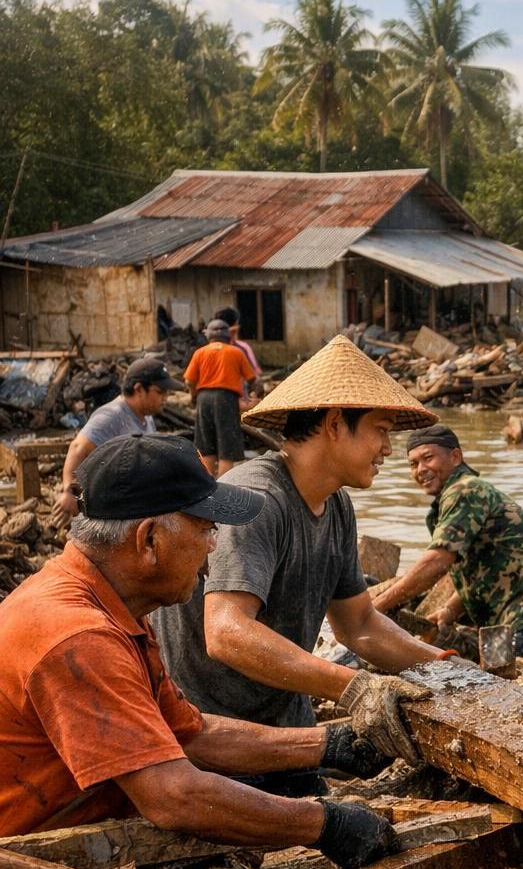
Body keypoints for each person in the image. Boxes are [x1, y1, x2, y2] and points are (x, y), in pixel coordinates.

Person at [0, 434, 397, 869]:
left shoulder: (111, 605)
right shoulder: (80, 637)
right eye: (207, 530)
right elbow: (173, 796)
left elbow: (190, 735)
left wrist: (328, 744)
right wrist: (325, 824)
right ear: (148, 540)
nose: (212, 550)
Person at [151, 336, 456, 793]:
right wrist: (355, 687)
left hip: (286, 724)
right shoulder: (257, 499)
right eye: (381, 430)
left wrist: (445, 669)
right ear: (335, 424)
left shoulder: (336, 506)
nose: (388, 449)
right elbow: (226, 633)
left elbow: (360, 625)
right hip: (214, 739)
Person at [373, 425, 523, 655]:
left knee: (510, 681)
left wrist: (377, 607)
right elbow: (477, 570)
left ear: (455, 457)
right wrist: (449, 609)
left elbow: (437, 562)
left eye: (428, 458)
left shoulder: (466, 490)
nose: (421, 469)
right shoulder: (458, 495)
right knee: (497, 674)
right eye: (413, 464)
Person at [54, 357, 181, 524]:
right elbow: (78, 448)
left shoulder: (145, 417)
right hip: (109, 514)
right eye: (160, 391)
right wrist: (71, 492)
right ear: (139, 389)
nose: (165, 397)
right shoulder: (112, 416)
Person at [183, 319, 258, 477]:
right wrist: (254, 395)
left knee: (206, 444)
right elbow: (252, 378)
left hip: (203, 398)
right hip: (226, 399)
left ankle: (207, 486)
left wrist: (194, 396)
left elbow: (189, 381)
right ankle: (223, 487)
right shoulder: (235, 352)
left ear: (208, 336)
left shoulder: (200, 352)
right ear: (227, 336)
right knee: (227, 446)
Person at [213, 306, 261, 411]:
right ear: (236, 326)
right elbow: (255, 378)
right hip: (237, 403)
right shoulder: (241, 349)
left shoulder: (204, 350)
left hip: (211, 403)